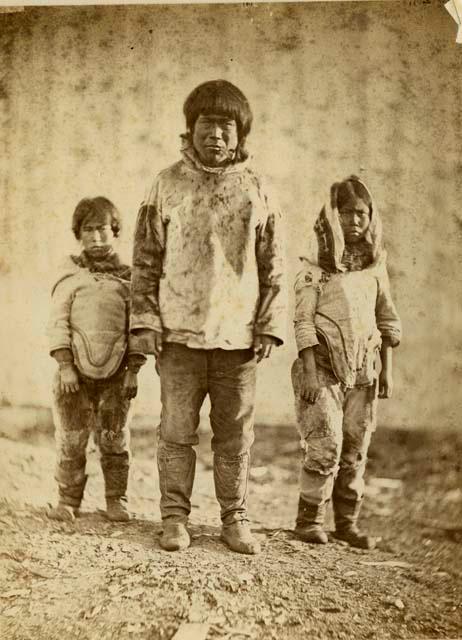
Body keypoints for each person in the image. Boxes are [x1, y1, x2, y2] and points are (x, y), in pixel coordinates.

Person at [130, 79, 286, 554]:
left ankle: (234, 518)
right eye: (206, 124)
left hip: (237, 339)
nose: (214, 134)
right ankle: (174, 518)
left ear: (240, 135)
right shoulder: (166, 184)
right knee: (176, 430)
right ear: (190, 128)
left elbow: (273, 264)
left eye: (225, 126)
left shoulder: (258, 189)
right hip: (177, 336)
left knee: (234, 435)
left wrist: (268, 325)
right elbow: (145, 259)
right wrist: (147, 321)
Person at [291, 176, 401, 549]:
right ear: (332, 216)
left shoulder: (374, 268)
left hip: (363, 371)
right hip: (321, 368)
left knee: (355, 446)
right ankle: (309, 520)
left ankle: (347, 523)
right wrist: (308, 371)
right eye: (346, 213)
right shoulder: (315, 268)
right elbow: (303, 321)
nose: (354, 221)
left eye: (361, 214)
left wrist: (386, 367)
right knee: (326, 443)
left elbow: (386, 318)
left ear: (370, 218)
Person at [47, 197, 146, 522]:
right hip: (73, 375)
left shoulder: (129, 278)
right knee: (72, 439)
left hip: (117, 374)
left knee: (115, 438)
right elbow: (58, 322)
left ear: (114, 230)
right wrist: (65, 365)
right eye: (88, 229)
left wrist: (133, 369)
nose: (96, 236)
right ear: (79, 233)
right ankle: (68, 499)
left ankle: (116, 499)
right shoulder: (70, 276)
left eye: (102, 228)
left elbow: (137, 326)